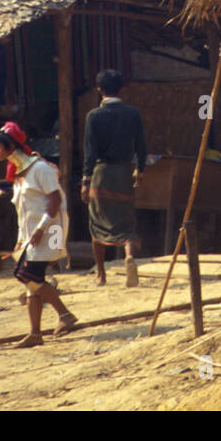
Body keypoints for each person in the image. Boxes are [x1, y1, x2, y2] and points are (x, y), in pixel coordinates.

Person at [0, 122, 78, 347]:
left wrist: (41, 228)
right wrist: (21, 239)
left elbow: (55, 200)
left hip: (51, 230)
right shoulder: (20, 175)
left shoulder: (41, 169)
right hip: (32, 235)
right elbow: (24, 211)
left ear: (11, 146)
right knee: (31, 282)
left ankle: (65, 314)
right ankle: (36, 333)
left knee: (26, 276)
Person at [80, 70, 147, 287]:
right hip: (124, 173)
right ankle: (129, 256)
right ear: (121, 89)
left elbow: (90, 152)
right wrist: (141, 169)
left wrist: (85, 180)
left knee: (97, 223)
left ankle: (101, 274)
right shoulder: (133, 113)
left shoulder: (93, 116)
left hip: (101, 174)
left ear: (99, 90)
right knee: (126, 220)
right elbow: (141, 146)